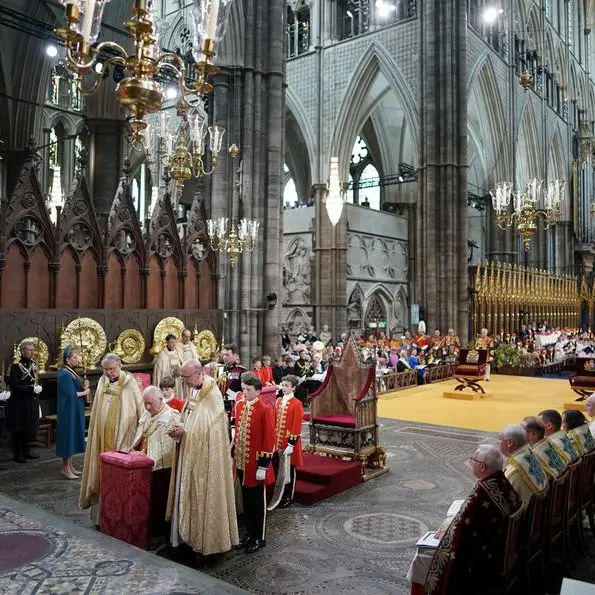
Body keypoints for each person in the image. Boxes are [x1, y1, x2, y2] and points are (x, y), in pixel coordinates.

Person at [416, 445, 522, 595]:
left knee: (426, 555)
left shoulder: (482, 494)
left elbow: (463, 534)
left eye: (473, 460)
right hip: (502, 548)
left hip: (483, 562)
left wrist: (449, 527)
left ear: (482, 466)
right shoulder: (502, 482)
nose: (470, 463)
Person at [166, 360, 238, 558]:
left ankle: (206, 543)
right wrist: (178, 427)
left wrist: (186, 431)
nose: (183, 381)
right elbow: (189, 414)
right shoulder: (193, 390)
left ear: (198, 374)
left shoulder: (212, 395)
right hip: (188, 453)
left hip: (206, 459)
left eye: (186, 377)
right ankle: (186, 537)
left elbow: (209, 428)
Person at [79, 354, 143, 517]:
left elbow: (139, 408)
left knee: (117, 474)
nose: (109, 373)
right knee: (102, 473)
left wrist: (142, 433)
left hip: (122, 437)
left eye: (112, 369)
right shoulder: (102, 382)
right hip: (101, 436)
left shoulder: (129, 383)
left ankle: (119, 512)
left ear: (120, 365)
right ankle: (101, 513)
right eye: (106, 370)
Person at [231, 373, 275, 553]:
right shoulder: (240, 405)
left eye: (248, 389)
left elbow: (269, 440)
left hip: (257, 465)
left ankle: (260, 537)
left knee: (258, 503)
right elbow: (235, 424)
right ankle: (249, 534)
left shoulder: (264, 409)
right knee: (247, 502)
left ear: (258, 391)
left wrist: (263, 466)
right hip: (243, 463)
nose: (245, 392)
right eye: (244, 388)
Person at [131, 386, 180, 536]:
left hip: (163, 468)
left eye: (150, 403)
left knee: (159, 501)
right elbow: (141, 436)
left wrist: (146, 456)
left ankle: (158, 533)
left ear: (160, 400)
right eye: (145, 403)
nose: (147, 407)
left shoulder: (171, 416)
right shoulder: (147, 414)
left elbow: (167, 447)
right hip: (144, 463)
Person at [56, 347, 90, 479]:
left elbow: (76, 387)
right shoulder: (64, 374)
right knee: (67, 436)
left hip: (75, 408)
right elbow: (70, 394)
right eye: (75, 357)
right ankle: (65, 468)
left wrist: (84, 384)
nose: (77, 360)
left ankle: (70, 466)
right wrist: (85, 392)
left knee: (73, 435)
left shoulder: (72, 372)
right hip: (68, 410)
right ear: (68, 359)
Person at [7, 342, 43, 464]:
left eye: (33, 350)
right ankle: (18, 454)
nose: (32, 352)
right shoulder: (16, 366)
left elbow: (37, 379)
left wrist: (39, 387)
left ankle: (26, 451)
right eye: (29, 350)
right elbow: (14, 385)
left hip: (31, 401)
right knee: (19, 427)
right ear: (22, 351)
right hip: (19, 401)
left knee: (28, 427)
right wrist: (30, 389)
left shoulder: (33, 364)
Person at [273, 374, 304, 509]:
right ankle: (278, 495)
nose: (284, 388)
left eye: (287, 386)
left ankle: (288, 497)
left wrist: (291, 444)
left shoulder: (297, 404)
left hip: (290, 443)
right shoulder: (279, 401)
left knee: (289, 471)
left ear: (293, 388)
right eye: (283, 385)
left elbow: (296, 426)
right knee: (279, 470)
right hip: (278, 442)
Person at [498, 424, 548, 508]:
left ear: (509, 443)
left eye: (499, 440)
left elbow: (502, 503)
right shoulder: (531, 454)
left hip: (524, 518)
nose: (498, 443)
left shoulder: (514, 471)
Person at [219, 343, 247, 413]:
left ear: (235, 356)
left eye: (227, 355)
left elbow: (244, 391)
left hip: (234, 405)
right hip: (219, 404)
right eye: (223, 355)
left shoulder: (241, 371)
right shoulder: (219, 369)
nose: (224, 357)